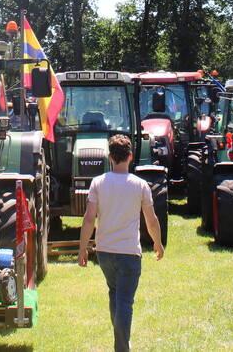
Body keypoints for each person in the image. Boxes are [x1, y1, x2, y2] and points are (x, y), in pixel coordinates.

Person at [78, 134, 164, 352]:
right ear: (131, 156)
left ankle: (120, 341)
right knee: (125, 301)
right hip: (129, 253)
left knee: (115, 294)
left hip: (104, 252)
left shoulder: (98, 183)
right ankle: (122, 347)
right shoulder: (140, 185)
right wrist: (158, 242)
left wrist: (82, 249)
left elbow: (89, 218)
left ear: (110, 158)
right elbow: (151, 219)